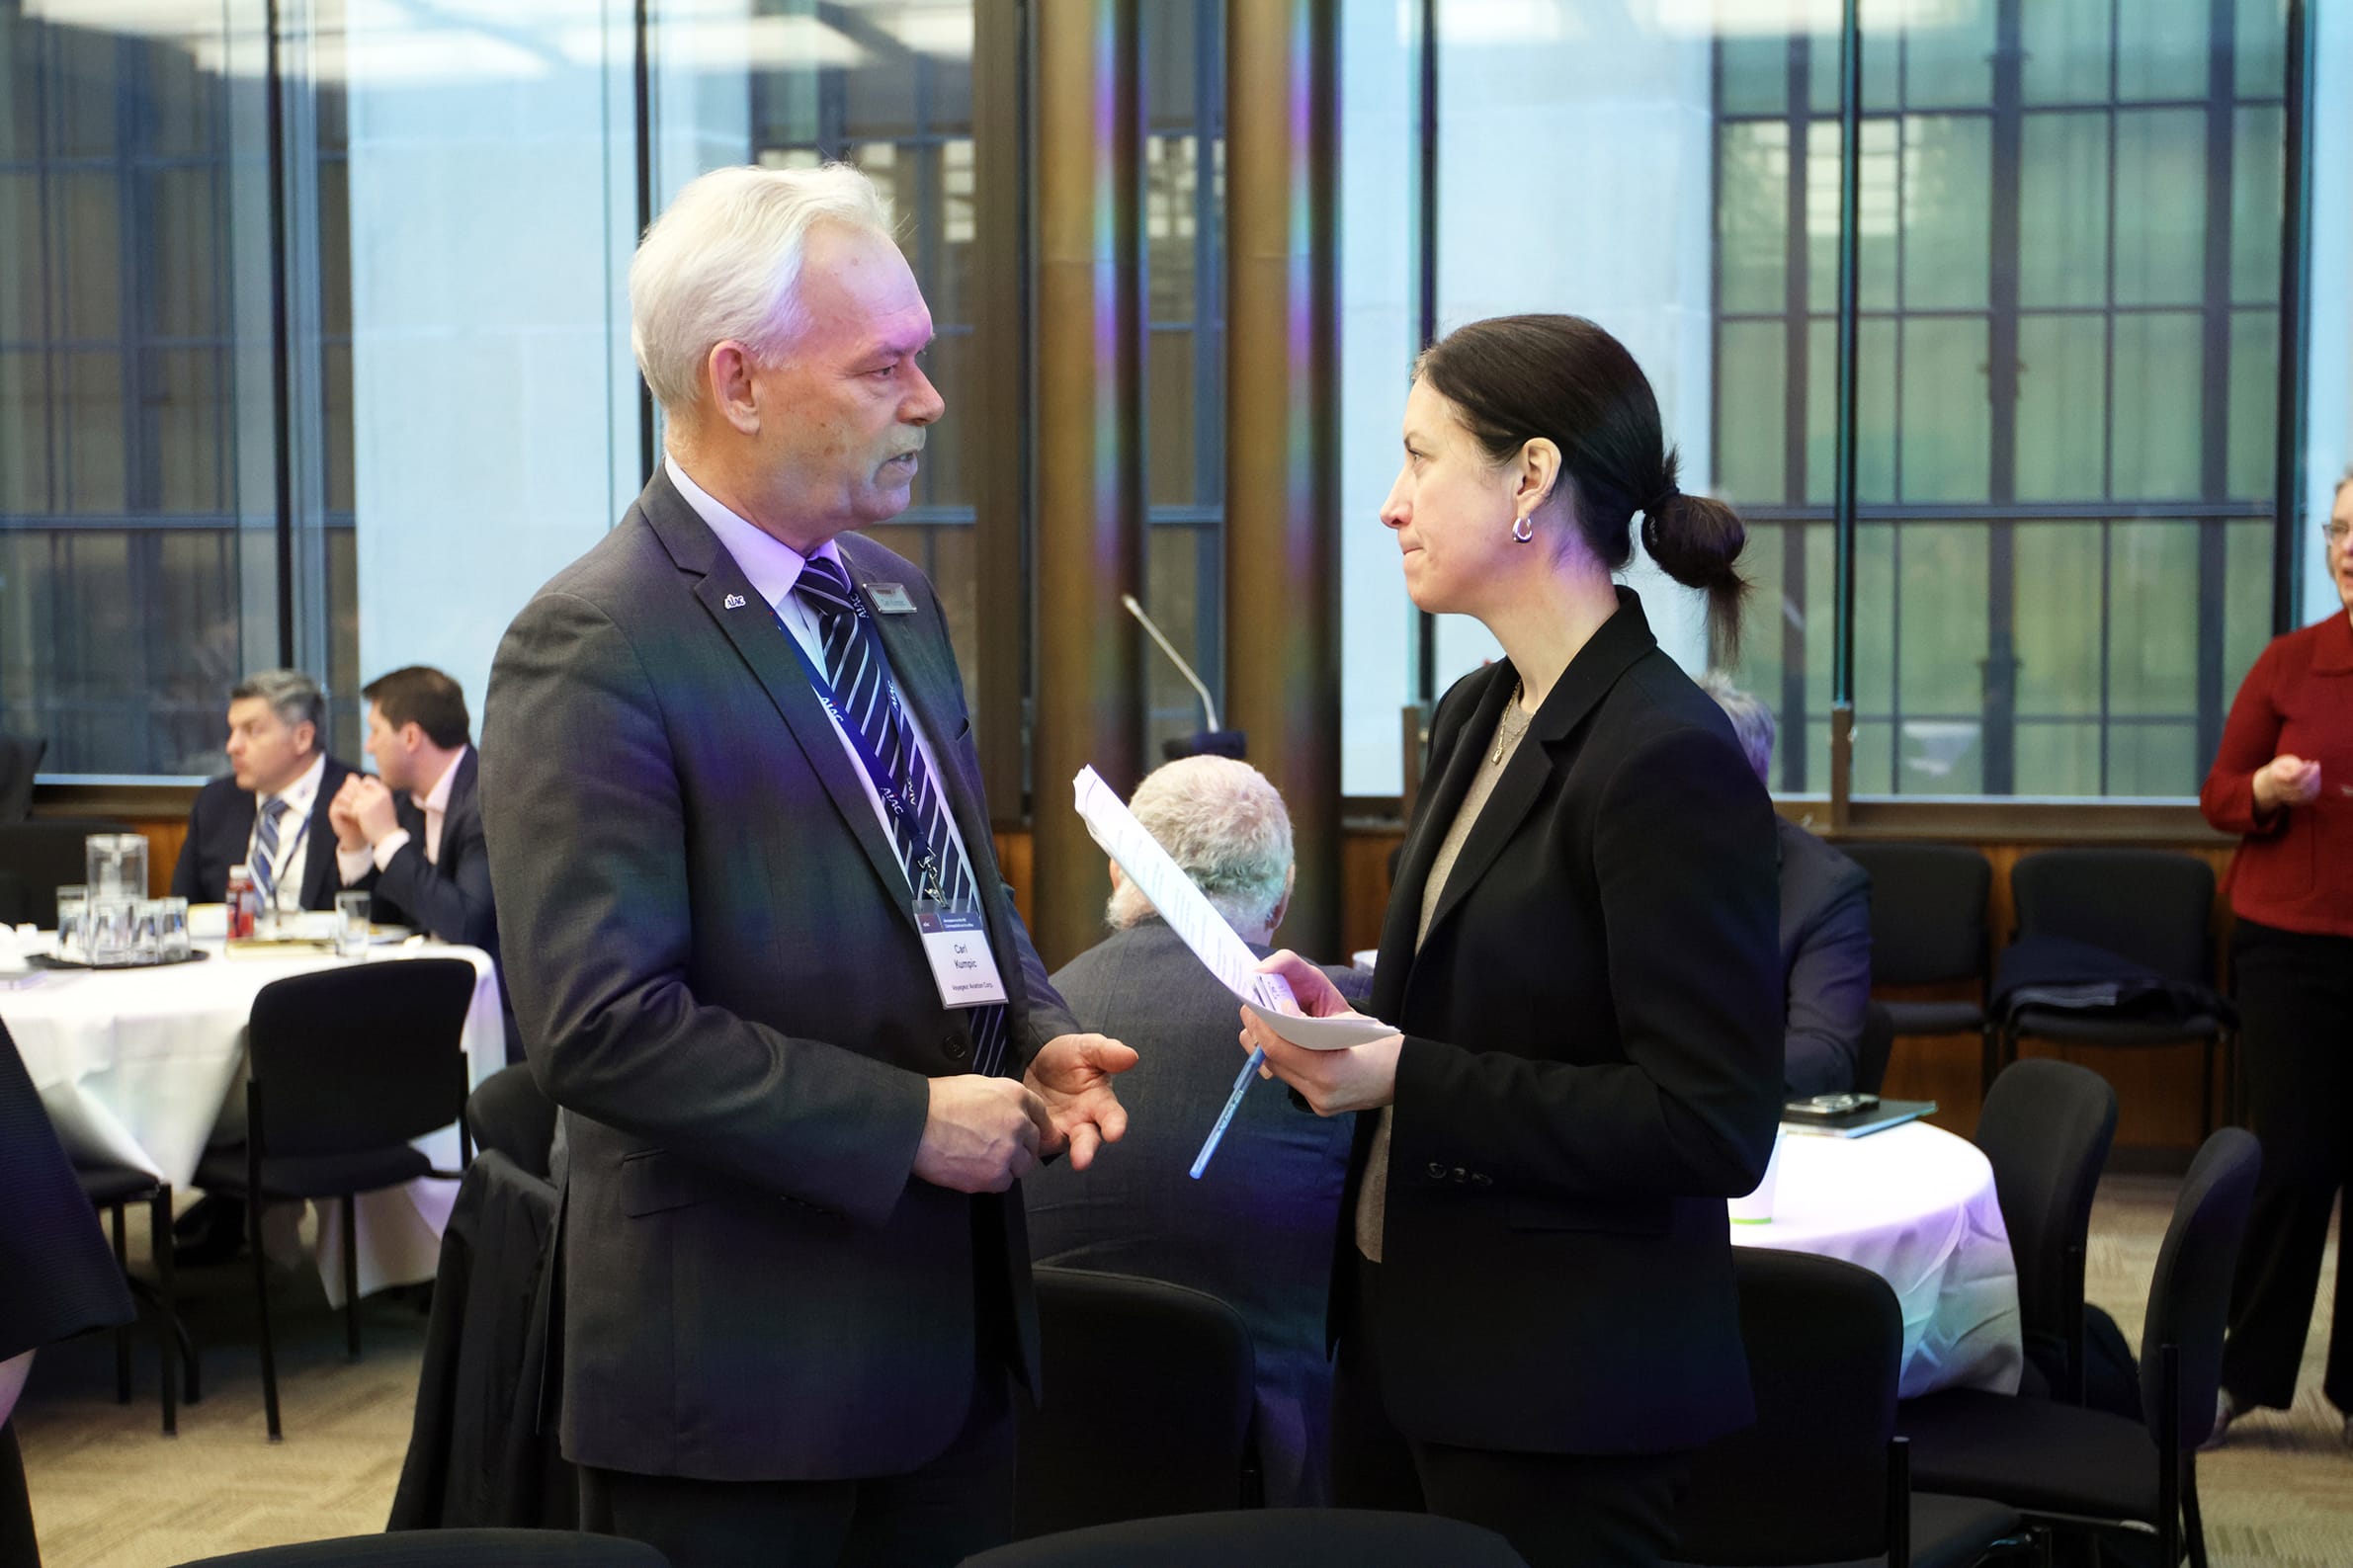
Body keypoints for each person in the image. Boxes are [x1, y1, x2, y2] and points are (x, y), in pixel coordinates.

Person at [481, 163, 1134, 1568]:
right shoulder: (595, 641)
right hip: (742, 1373)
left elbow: (953, 881)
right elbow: (600, 1027)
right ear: (739, 381)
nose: (928, 401)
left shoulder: (890, 597)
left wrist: (1035, 1026)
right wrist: (907, 1120)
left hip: (948, 1337)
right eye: (884, 366)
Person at [1237, 314, 1783, 1568]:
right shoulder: (1481, 707)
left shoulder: (1663, 755)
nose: (1390, 504)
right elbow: (1502, 996)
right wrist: (1354, 1005)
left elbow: (1707, 1123)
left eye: (1418, 457)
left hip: (1563, 1387)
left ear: (1530, 477)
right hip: (1412, 1338)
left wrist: (1404, 1073)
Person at [1023, 755, 1368, 1508]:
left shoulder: (1029, 1033)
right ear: (1281, 898)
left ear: (1117, 872)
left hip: (1035, 1479)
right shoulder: (1343, 1035)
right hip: (1274, 1487)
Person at [2206, 469, 2353, 1448]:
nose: (2347, 547)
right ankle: (2240, 1374)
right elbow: (2217, 795)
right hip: (2288, 947)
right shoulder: (2289, 662)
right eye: (2337, 530)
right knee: (2295, 1162)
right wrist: (2261, 787)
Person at [1701, 674, 1872, 1099]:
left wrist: (1697, 1087)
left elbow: (1823, 1053)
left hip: (1744, 1121)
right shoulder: (1625, 852)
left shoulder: (1824, 888)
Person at [331, 666, 496, 953]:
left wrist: (388, 840)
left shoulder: (486, 800)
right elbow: (382, 924)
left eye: (375, 731)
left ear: (410, 737)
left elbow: (467, 924)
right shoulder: (403, 801)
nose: (368, 747)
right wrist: (356, 846)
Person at [169, 669, 359, 914]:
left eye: (252, 731)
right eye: (233, 731)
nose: (232, 746)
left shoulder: (357, 799)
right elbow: (183, 910)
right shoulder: (216, 802)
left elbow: (370, 912)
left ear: (302, 738)